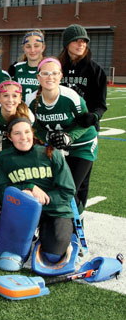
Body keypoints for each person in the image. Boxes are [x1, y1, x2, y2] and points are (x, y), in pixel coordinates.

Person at [0, 117, 75, 264]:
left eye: (27, 132)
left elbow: (67, 191)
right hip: (24, 212)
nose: (23, 137)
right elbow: (0, 191)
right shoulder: (5, 158)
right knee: (9, 258)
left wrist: (41, 200)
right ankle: (34, 232)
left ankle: (62, 237)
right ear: (9, 137)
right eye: (17, 133)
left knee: (53, 256)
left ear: (32, 133)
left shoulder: (51, 152)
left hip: (54, 209)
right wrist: (28, 188)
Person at [26, 57, 97, 217]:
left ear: (60, 76)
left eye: (54, 73)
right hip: (55, 145)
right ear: (38, 77)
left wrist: (69, 137)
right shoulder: (31, 100)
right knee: (54, 184)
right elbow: (35, 127)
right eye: (45, 73)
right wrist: (50, 137)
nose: (50, 77)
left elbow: (85, 122)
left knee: (71, 188)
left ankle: (77, 223)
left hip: (82, 144)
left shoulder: (71, 96)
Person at [58, 24, 107, 215]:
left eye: (84, 41)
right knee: (60, 181)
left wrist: (93, 117)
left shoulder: (95, 70)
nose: (81, 44)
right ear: (66, 43)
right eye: (76, 40)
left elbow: (101, 104)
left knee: (79, 185)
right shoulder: (57, 67)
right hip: (60, 131)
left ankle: (77, 222)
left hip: (85, 134)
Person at [0, 80, 34, 161]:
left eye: (14, 96)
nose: (10, 100)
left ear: (20, 99)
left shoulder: (28, 116)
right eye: (5, 95)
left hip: (17, 153)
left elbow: (26, 140)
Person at [9, 30, 46, 101]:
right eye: (28, 46)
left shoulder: (49, 68)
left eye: (36, 46)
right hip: (21, 111)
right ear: (23, 48)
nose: (32, 50)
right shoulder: (15, 68)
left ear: (43, 47)